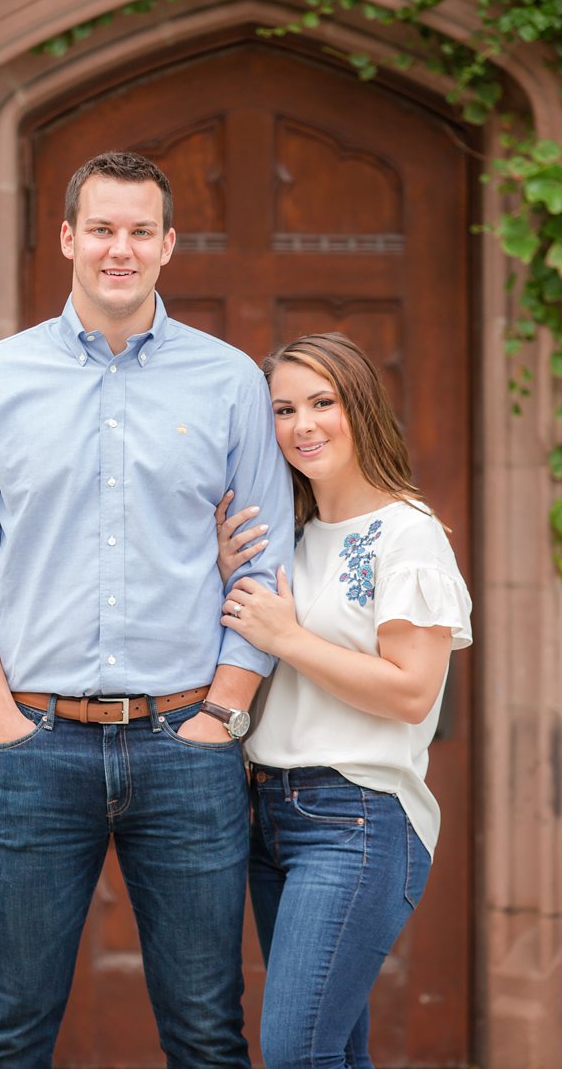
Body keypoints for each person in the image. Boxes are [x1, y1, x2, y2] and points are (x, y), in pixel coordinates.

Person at [0, 149, 294, 1068]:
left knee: (208, 1031)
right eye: (100, 229)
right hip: (35, 746)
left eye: (138, 231)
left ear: (167, 245)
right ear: (67, 239)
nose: (117, 249)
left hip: (187, 748)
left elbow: (268, 563)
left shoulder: (230, 381)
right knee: (8, 1028)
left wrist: (225, 710)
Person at [214, 333, 471, 1068]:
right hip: (269, 813)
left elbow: (412, 692)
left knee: (297, 1051)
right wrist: (223, 580)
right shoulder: (286, 536)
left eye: (323, 402)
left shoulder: (408, 534)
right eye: (284, 408)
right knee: (332, 1050)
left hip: (357, 816)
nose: (304, 424)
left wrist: (288, 635)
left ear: (360, 406)